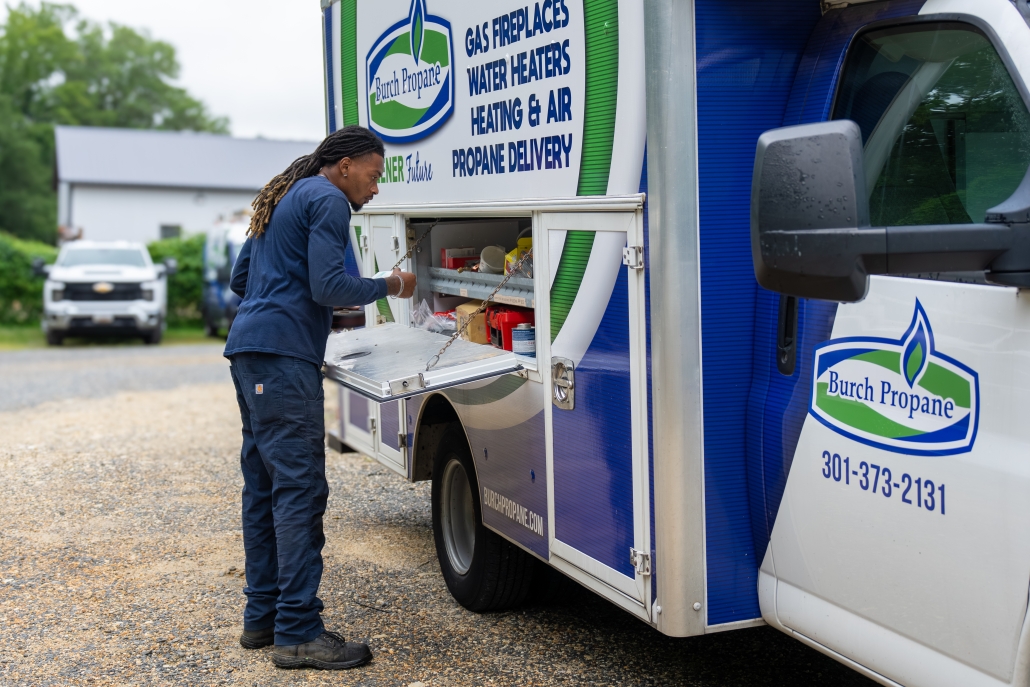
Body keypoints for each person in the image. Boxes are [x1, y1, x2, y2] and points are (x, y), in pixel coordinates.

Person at [223, 125, 416, 670]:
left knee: (264, 487)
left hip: (249, 352)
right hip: (283, 359)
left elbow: (242, 278)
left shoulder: (283, 194)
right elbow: (330, 288)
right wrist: (392, 285)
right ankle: (299, 632)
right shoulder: (328, 198)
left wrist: (279, 291)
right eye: (374, 176)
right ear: (347, 163)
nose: (375, 188)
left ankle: (262, 619)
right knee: (300, 491)